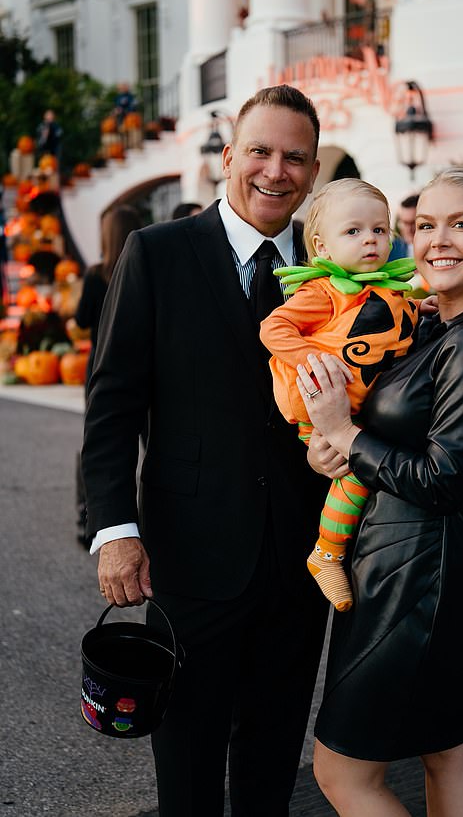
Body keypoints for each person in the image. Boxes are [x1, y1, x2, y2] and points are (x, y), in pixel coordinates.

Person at [81, 84, 329, 817]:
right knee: (188, 769)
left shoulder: (331, 270)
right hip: (189, 561)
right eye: (260, 151)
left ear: (314, 172)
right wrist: (115, 531)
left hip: (301, 563)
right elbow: (112, 404)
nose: (275, 171)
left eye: (294, 158)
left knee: (272, 767)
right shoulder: (157, 253)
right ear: (228, 156)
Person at [300, 165, 463, 816]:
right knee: (446, 749)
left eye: (461, 224)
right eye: (425, 225)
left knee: (342, 772)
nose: (437, 240)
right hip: (413, 562)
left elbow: (444, 478)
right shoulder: (442, 325)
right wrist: (333, 446)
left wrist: (345, 435)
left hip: (420, 574)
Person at [260, 178, 419, 612]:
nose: (370, 239)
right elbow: (273, 328)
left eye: (379, 229)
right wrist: (314, 360)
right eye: (353, 231)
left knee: (366, 469)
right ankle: (326, 554)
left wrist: (419, 312)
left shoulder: (388, 289)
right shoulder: (324, 291)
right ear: (323, 248)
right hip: (320, 407)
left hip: (358, 409)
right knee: (355, 472)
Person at [71, 204, 144, 549]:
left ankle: (88, 512)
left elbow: (82, 319)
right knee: (149, 441)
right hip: (142, 361)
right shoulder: (145, 265)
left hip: (101, 365)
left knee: (101, 433)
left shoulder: (96, 274)